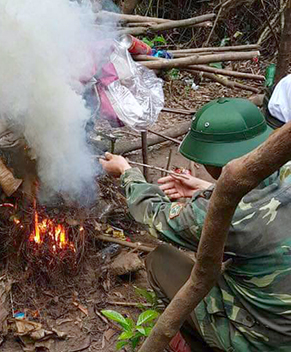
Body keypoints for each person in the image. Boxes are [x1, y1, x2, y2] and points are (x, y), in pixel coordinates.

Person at [100, 98, 291, 352]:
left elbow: (153, 214)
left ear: (215, 163)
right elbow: (257, 196)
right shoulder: (286, 171)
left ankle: (205, 344)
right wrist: (213, 190)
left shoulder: (226, 216)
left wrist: (126, 172)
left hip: (267, 342)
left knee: (160, 260)